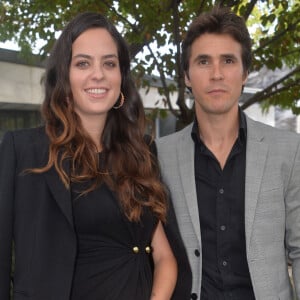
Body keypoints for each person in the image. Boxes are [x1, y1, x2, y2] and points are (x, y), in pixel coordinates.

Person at [0, 12, 177, 300]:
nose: (99, 74)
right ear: (65, 76)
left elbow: (165, 257)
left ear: (121, 76)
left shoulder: (141, 151)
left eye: (109, 63)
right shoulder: (24, 150)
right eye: (83, 63)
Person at [157, 6, 300, 300]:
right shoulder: (159, 157)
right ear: (186, 75)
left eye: (228, 60)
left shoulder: (289, 150)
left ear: (245, 72)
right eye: (203, 61)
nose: (217, 74)